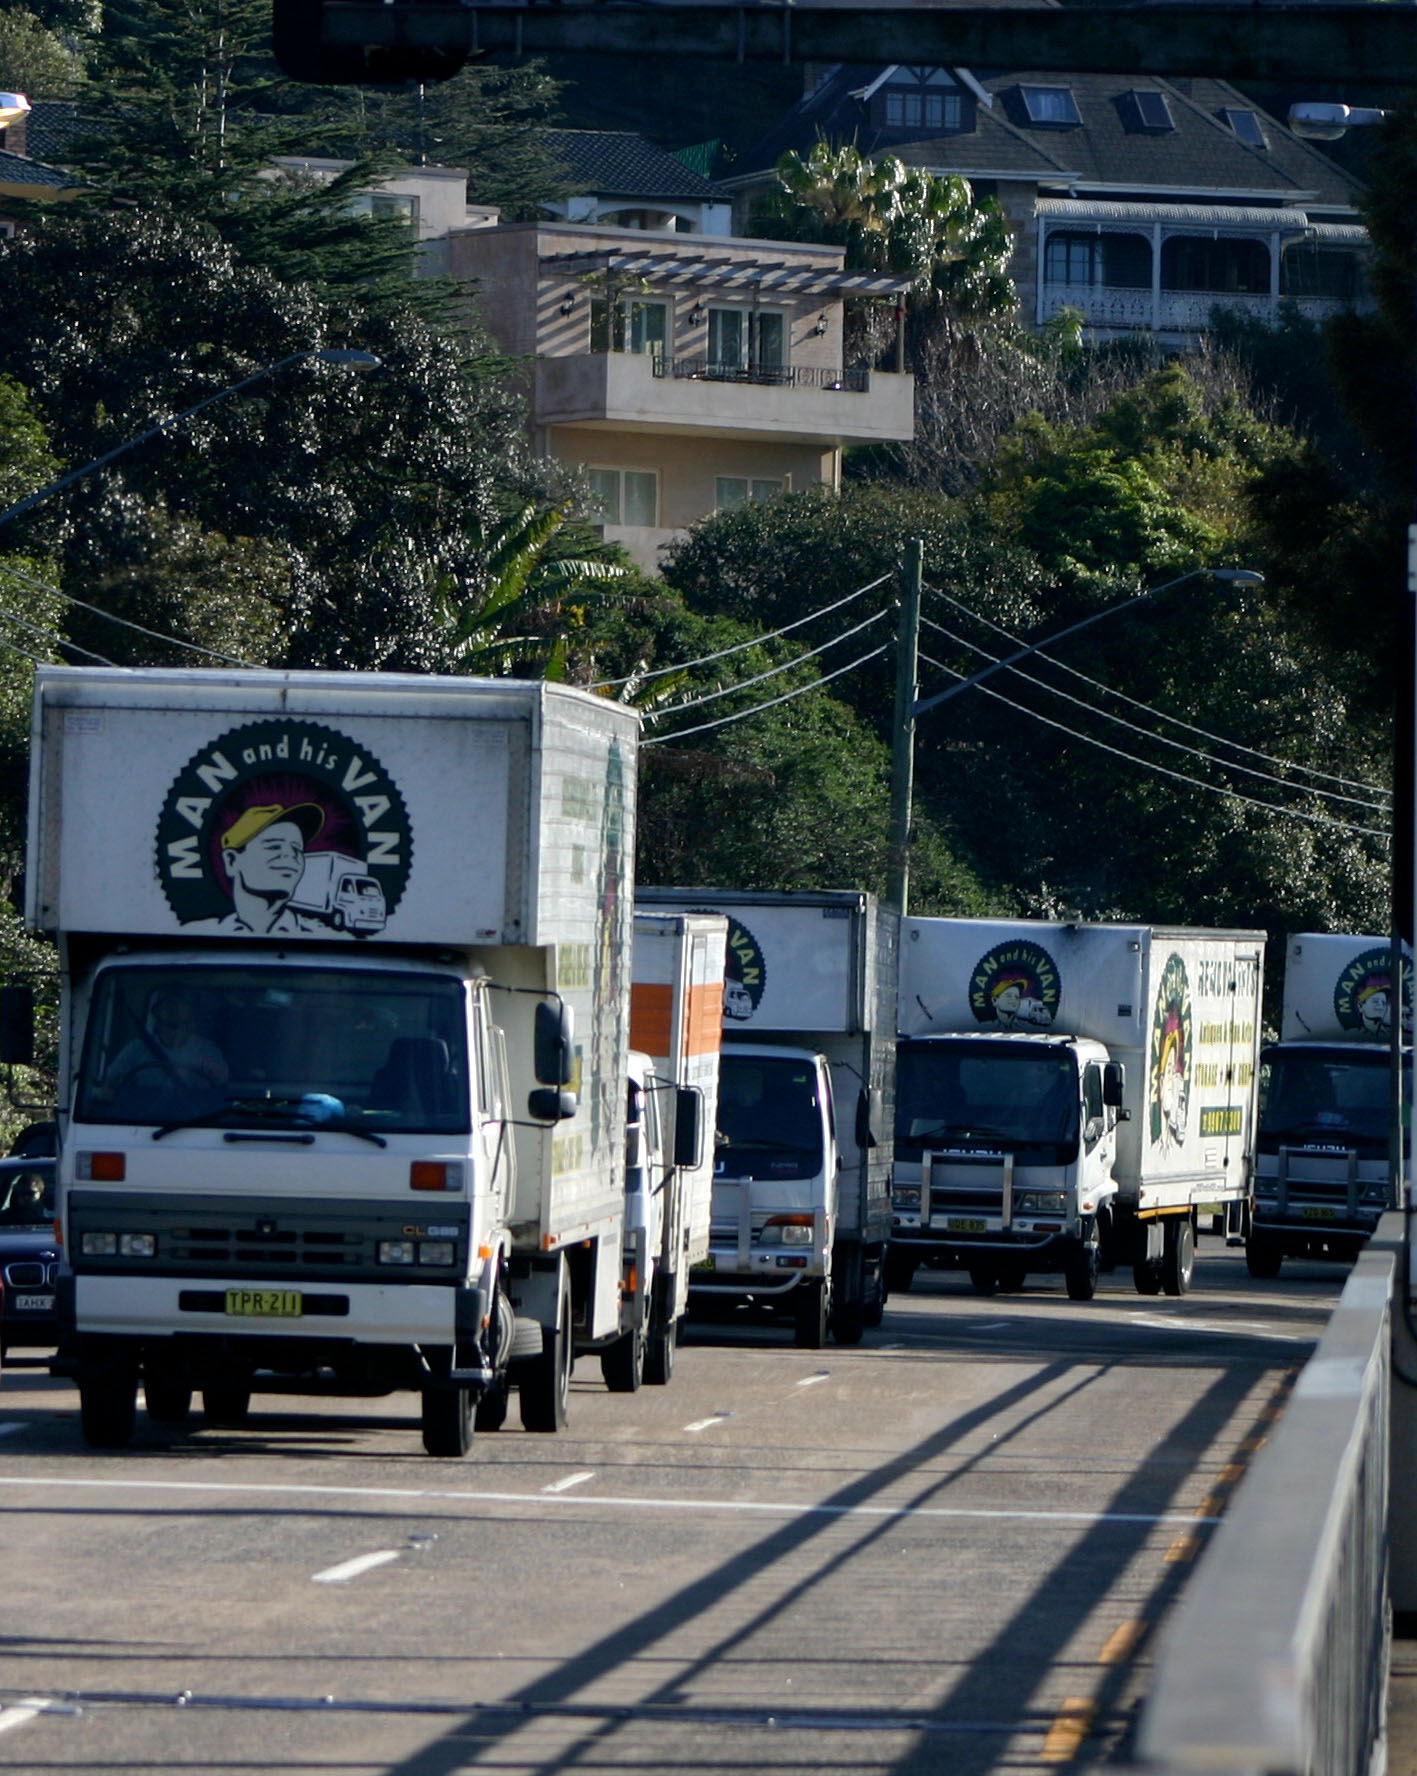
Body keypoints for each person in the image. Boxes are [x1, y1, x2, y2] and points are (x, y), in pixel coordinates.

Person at [107, 993, 229, 1093]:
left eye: (180, 1025)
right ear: (158, 1023)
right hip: (144, 1116)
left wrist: (213, 1071)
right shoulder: (137, 1049)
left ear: (192, 1025)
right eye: (168, 1024)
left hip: (195, 1116)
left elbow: (223, 1080)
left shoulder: (207, 1050)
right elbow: (110, 1080)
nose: (174, 1031)